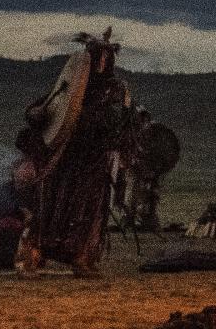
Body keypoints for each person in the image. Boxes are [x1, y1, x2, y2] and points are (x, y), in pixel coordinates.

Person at [18, 32, 133, 274]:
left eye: (104, 57)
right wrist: (37, 114)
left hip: (92, 163)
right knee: (48, 208)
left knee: (87, 213)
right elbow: (41, 110)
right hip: (63, 160)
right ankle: (34, 256)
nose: (100, 63)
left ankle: (82, 259)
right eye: (96, 57)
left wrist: (88, 121)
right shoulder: (70, 86)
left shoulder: (115, 91)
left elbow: (116, 123)